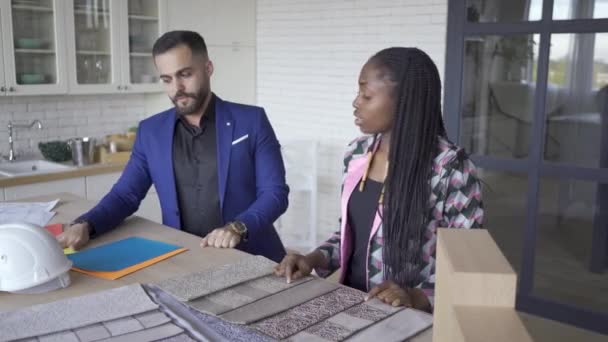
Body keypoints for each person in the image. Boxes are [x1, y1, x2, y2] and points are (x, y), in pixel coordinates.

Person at [274, 47, 484, 311]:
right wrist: (312, 259)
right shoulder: (357, 153)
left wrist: (415, 296)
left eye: (367, 95)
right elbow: (348, 236)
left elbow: (468, 264)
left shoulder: (451, 168)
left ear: (404, 100)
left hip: (408, 319)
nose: (356, 102)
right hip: (350, 306)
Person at [57, 31, 288, 262]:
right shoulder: (151, 132)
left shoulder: (252, 121)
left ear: (208, 68)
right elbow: (125, 195)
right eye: (167, 79)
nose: (177, 88)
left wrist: (238, 228)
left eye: (185, 74)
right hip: (184, 256)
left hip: (252, 255)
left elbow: (274, 193)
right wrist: (85, 224)